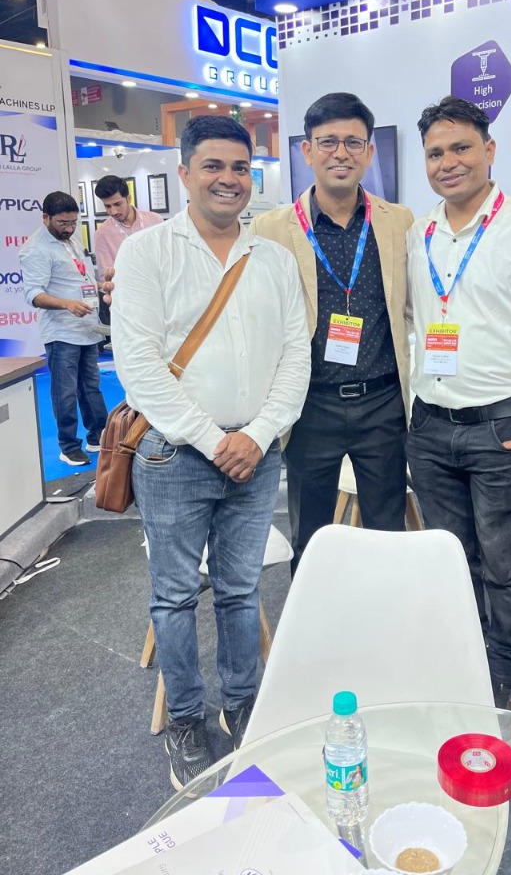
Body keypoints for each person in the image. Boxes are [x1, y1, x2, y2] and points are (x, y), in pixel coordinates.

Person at [111, 116, 310, 790]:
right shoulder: (147, 253)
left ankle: (242, 702)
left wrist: (258, 435)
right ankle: (187, 719)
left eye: (240, 168)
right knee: (173, 597)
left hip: (256, 455)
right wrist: (212, 439)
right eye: (214, 166)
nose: (229, 179)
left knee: (240, 590)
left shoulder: (273, 259)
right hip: (174, 457)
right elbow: (139, 367)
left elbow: (296, 356)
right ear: (184, 173)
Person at [407, 96, 511, 713]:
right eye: (435, 153)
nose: (448, 162)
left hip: (503, 426)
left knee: (505, 565)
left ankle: (509, 679)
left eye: (461, 148)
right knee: (450, 561)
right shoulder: (420, 233)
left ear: (490, 150)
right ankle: (462, 663)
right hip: (429, 427)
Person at [251, 92, 413, 571]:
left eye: (353, 142)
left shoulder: (399, 221)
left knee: (388, 530)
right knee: (311, 534)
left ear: (369, 151)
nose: (340, 153)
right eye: (327, 142)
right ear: (307, 151)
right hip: (310, 405)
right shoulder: (270, 229)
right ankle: (316, 612)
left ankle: (387, 609)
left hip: (382, 401)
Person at [20, 191, 108, 467]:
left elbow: (80, 278)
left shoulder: (70, 241)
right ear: (46, 217)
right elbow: (33, 294)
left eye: (73, 222)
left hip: (88, 329)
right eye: (63, 223)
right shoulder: (35, 249)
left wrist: (100, 286)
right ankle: (68, 446)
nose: (69, 228)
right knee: (65, 393)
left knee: (91, 388)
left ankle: (98, 436)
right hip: (61, 334)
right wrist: (66, 304)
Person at [93, 174, 163, 277]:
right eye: (107, 206)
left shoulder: (155, 220)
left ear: (129, 198)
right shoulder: (102, 234)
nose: (113, 211)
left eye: (118, 204)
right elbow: (106, 276)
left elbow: (167, 258)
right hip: (125, 286)